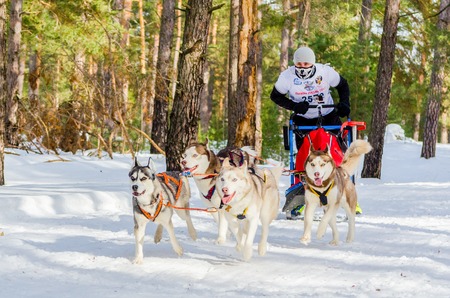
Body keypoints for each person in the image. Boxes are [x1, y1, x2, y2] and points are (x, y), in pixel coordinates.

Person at [270, 46, 362, 219]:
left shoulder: (324, 71)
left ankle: (348, 195)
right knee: (305, 157)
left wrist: (344, 103)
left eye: (306, 63)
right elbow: (275, 96)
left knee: (336, 155)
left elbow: (342, 85)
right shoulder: (287, 76)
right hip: (303, 119)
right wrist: (294, 106)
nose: (302, 67)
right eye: (299, 63)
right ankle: (299, 200)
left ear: (312, 63)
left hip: (328, 116)